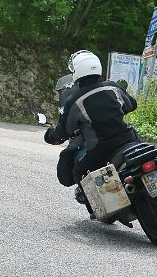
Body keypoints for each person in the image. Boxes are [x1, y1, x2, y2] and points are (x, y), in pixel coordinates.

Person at [44, 50, 141, 191]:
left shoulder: (75, 100)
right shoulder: (112, 87)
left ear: (77, 72)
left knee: (78, 171)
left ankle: (95, 203)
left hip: (101, 148)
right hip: (129, 138)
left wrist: (51, 134)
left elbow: (64, 131)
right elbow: (132, 105)